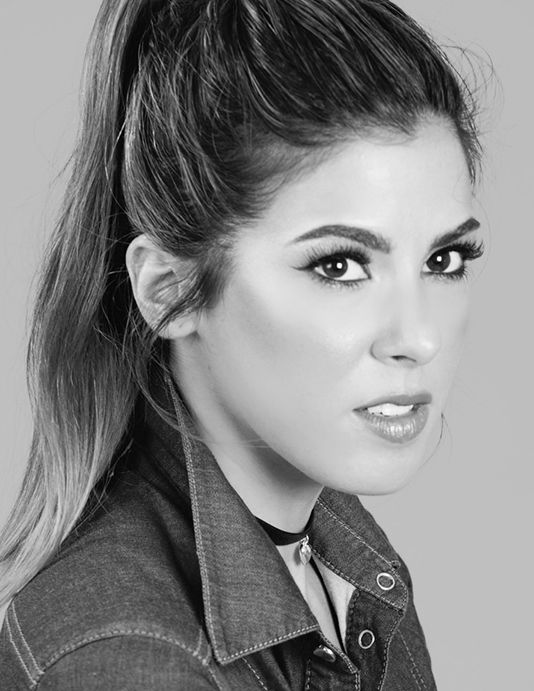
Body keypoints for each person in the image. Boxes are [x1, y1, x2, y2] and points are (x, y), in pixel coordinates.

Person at [0, 0, 486, 688]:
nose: (419, 337)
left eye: (444, 260)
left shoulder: (350, 572)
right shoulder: (130, 661)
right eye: (339, 265)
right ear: (169, 290)